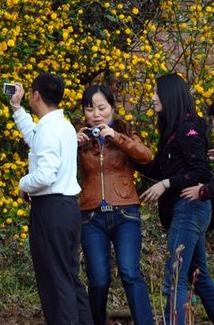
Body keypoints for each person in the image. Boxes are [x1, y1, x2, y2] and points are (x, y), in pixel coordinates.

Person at [9, 73, 93, 325]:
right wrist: (16, 109)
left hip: (50, 210)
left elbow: (45, 174)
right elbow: (35, 138)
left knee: (55, 281)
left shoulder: (49, 130)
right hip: (67, 208)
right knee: (69, 277)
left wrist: (23, 184)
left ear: (36, 96)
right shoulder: (63, 126)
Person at [76, 84, 154, 325]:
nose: (96, 114)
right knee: (98, 280)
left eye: (102, 107)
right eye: (90, 109)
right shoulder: (78, 135)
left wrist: (116, 137)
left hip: (125, 213)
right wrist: (71, 143)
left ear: (112, 108)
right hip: (91, 217)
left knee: (130, 274)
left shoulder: (125, 131)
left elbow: (146, 155)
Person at [140, 73, 214, 324]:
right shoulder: (172, 129)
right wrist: (127, 152)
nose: (152, 97)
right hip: (186, 210)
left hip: (190, 208)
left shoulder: (188, 126)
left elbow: (201, 172)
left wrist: (166, 184)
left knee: (174, 279)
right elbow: (159, 169)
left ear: (170, 95)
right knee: (199, 276)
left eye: (156, 92)